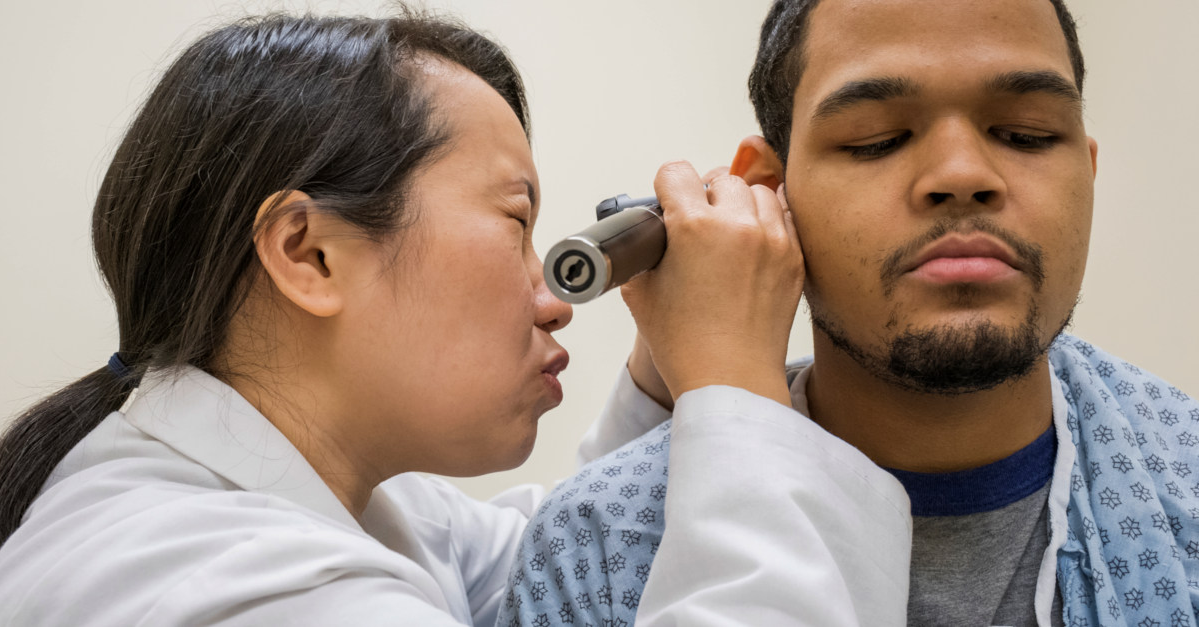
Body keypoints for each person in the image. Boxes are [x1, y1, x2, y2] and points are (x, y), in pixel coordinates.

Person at [0, 11, 908, 627]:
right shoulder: (234, 586)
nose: (551, 295)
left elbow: (554, 564)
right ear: (308, 253)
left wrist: (668, 375)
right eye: (515, 222)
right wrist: (735, 385)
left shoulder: (351, 517)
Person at [499, 0, 1199, 626]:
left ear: (1088, 170)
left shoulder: (1185, 489)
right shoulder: (591, 554)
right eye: (875, 139)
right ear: (771, 194)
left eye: (1026, 133)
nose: (962, 173)